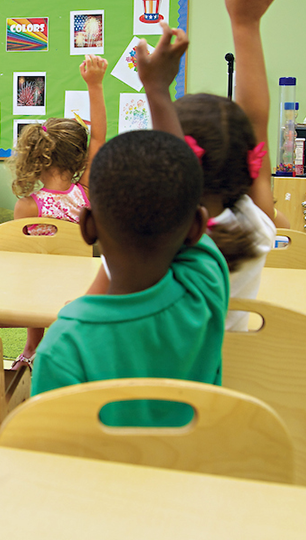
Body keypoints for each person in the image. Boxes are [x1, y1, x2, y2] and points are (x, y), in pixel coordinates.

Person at [86, 0, 295, 332]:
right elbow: (255, 120)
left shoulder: (145, 238)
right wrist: (245, 25)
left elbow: (89, 311)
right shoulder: (257, 225)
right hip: (220, 381)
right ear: (249, 162)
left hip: (143, 381)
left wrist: (155, 87)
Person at [30, 130, 229, 427]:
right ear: (197, 226)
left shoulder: (63, 346)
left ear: (87, 227)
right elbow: (180, 191)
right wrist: (157, 92)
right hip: (196, 471)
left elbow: (52, 458)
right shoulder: (205, 288)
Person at [7, 54, 108, 369]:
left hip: (37, 288)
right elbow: (101, 137)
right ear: (78, 157)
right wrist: (95, 85)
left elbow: (20, 257)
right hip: (81, 285)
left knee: (32, 275)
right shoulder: (86, 191)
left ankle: (31, 346)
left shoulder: (28, 205)